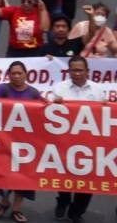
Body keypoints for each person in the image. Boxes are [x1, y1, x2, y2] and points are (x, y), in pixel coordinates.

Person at [43, 56, 105, 222]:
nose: (77, 73)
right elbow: (45, 104)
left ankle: (76, 212)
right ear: (68, 71)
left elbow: (104, 115)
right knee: (64, 176)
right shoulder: (60, 88)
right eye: (73, 70)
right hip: (65, 142)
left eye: (80, 70)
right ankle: (63, 201)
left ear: (87, 71)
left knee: (87, 180)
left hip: (89, 144)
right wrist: (53, 103)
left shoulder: (98, 90)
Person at [0, 61, 40, 223]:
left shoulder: (33, 92)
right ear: (9, 75)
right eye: (13, 73)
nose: (16, 76)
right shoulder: (3, 88)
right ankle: (4, 202)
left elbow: (44, 111)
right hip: (5, 140)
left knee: (23, 177)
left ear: (26, 74)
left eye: (19, 73)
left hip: (26, 143)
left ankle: (16, 209)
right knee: (3, 173)